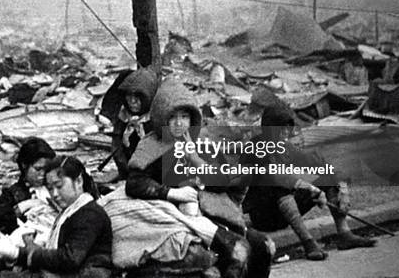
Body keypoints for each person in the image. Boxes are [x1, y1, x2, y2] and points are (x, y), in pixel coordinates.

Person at [126, 79, 263, 278]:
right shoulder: (151, 145)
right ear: (162, 118)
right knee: (235, 255)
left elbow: (221, 181)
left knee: (262, 247)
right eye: (172, 117)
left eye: (184, 116)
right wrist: (172, 192)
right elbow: (135, 183)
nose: (179, 123)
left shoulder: (202, 142)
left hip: (210, 213)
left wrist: (194, 158)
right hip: (174, 218)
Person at [243, 106, 376, 260]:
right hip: (264, 216)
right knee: (281, 187)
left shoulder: (285, 147)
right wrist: (311, 188)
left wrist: (342, 188)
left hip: (283, 212)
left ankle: (344, 233)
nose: (284, 134)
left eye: (286, 130)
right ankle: (308, 242)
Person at [0, 156, 112, 278]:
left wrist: (16, 253)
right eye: (50, 188)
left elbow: (70, 258)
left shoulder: (89, 214)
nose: (54, 194)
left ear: (78, 181)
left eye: (59, 186)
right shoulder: (69, 212)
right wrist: (15, 252)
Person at [0, 137, 58, 272]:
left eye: (46, 169)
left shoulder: (56, 186)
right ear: (24, 166)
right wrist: (24, 206)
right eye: (38, 169)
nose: (42, 174)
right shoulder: (15, 193)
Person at [110, 67, 159, 179]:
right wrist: (125, 144)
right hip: (129, 173)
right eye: (129, 96)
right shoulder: (123, 116)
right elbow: (116, 149)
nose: (132, 101)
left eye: (138, 97)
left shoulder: (157, 118)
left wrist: (146, 143)